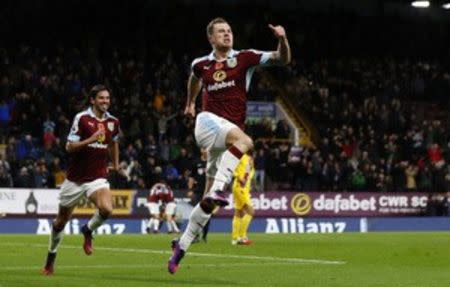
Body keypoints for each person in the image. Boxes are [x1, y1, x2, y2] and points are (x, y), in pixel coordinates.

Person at [168, 17, 291, 274]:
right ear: (211, 38)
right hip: (207, 123)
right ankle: (220, 190)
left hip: (225, 139)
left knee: (206, 202)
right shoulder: (201, 64)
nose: (227, 34)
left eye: (229, 31)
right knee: (246, 141)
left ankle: (181, 247)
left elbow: (282, 59)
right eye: (221, 32)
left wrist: (282, 39)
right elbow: (193, 80)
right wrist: (190, 103)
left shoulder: (245, 58)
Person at [42, 85, 120, 275]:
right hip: (75, 179)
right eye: (101, 98)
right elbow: (69, 147)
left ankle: (88, 230)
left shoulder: (113, 122)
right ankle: (50, 259)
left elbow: (114, 142)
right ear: (92, 100)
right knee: (60, 222)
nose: (105, 101)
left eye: (107, 98)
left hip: (97, 177)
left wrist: (116, 164)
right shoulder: (82, 119)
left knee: (107, 209)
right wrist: (90, 139)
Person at [231, 153, 255, 245]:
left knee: (239, 212)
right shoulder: (239, 156)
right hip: (239, 187)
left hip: (244, 188)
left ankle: (235, 238)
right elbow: (230, 168)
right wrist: (238, 177)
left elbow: (250, 172)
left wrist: (251, 168)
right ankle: (242, 237)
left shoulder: (249, 159)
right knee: (250, 211)